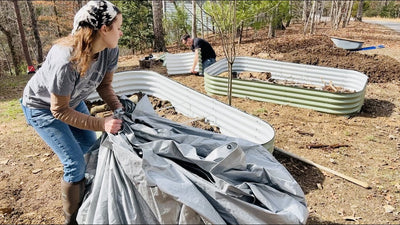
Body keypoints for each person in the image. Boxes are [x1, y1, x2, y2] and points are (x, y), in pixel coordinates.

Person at [20, 1, 123, 224]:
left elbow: (104, 86)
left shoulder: (109, 51)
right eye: (118, 27)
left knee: (91, 153)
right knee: (75, 164)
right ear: (103, 29)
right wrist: (102, 123)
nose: (121, 32)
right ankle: (72, 219)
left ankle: (86, 205)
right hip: (42, 108)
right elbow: (59, 110)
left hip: (72, 102)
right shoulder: (65, 59)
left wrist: (119, 109)